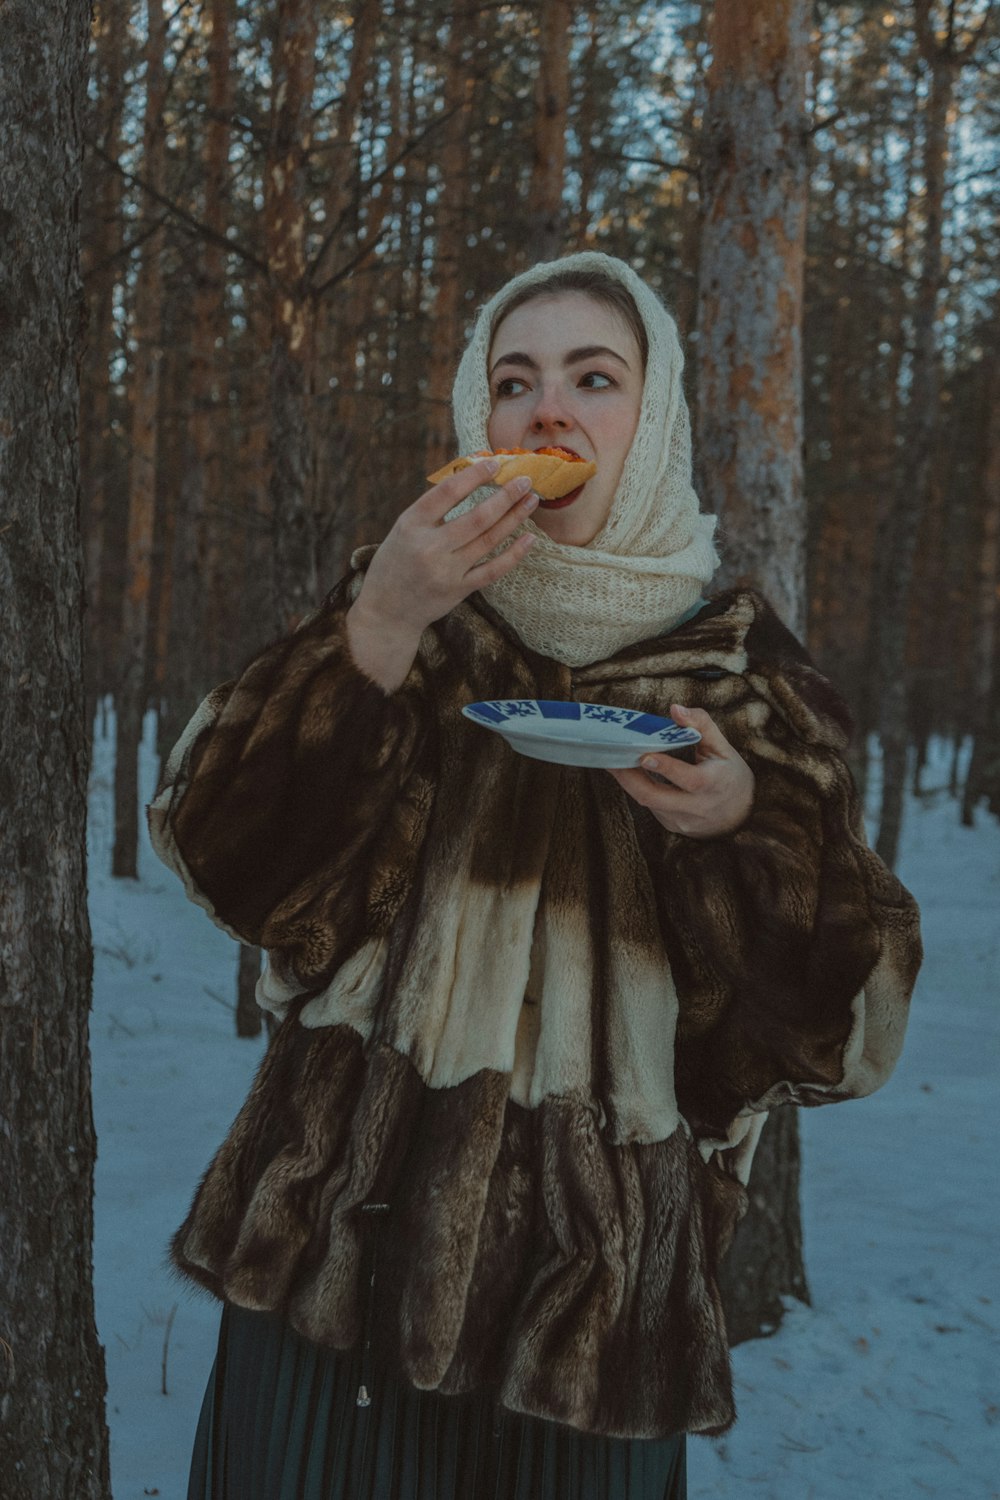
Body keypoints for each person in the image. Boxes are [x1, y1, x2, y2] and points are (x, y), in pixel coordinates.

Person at [147, 251, 922, 1500]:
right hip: (332, 1270)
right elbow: (221, 861)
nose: (547, 411)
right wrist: (379, 631)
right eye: (514, 381)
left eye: (593, 378)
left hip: (589, 1325)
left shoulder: (740, 684)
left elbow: (840, 1035)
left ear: (652, 421)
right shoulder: (412, 622)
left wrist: (741, 825)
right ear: (478, 420)